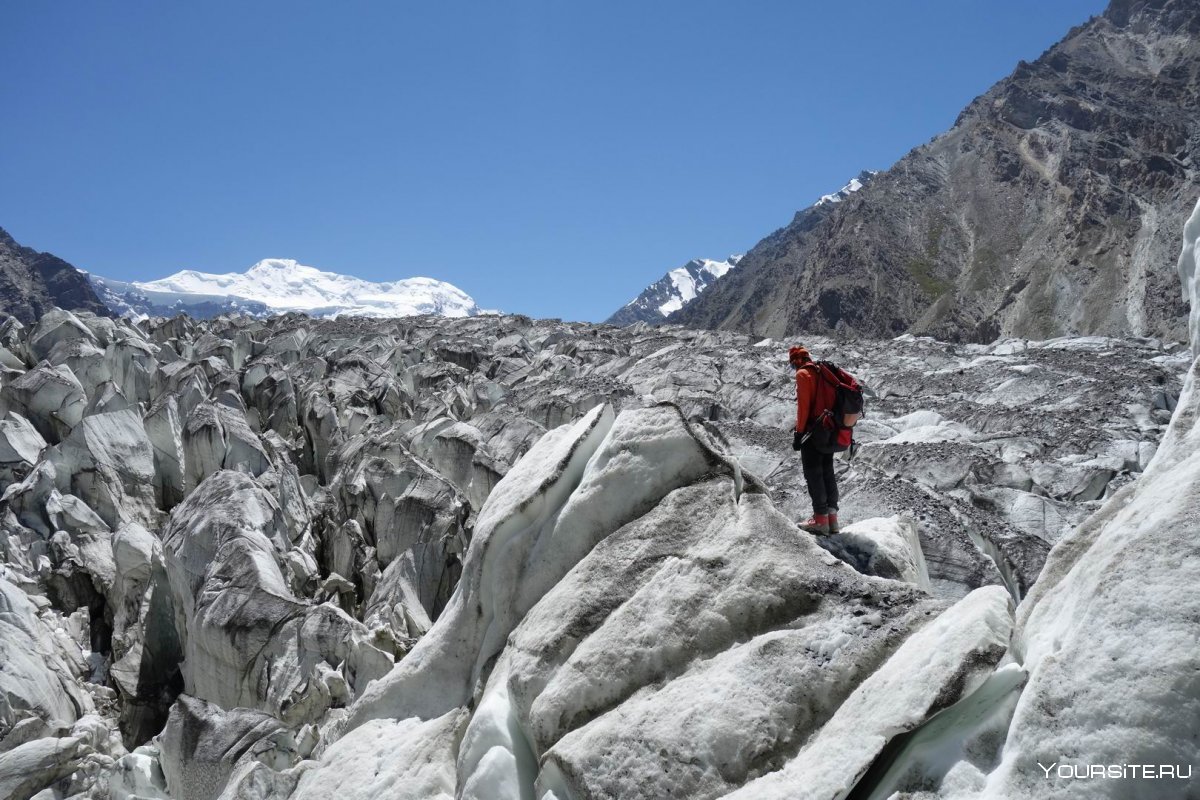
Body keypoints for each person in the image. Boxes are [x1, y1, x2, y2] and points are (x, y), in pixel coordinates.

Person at [790, 346, 839, 535]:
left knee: (814, 474)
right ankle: (832, 520)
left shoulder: (803, 374)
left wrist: (798, 433)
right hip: (829, 431)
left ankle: (819, 520)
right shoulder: (822, 372)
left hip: (813, 433)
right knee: (827, 472)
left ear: (796, 361)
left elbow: (803, 408)